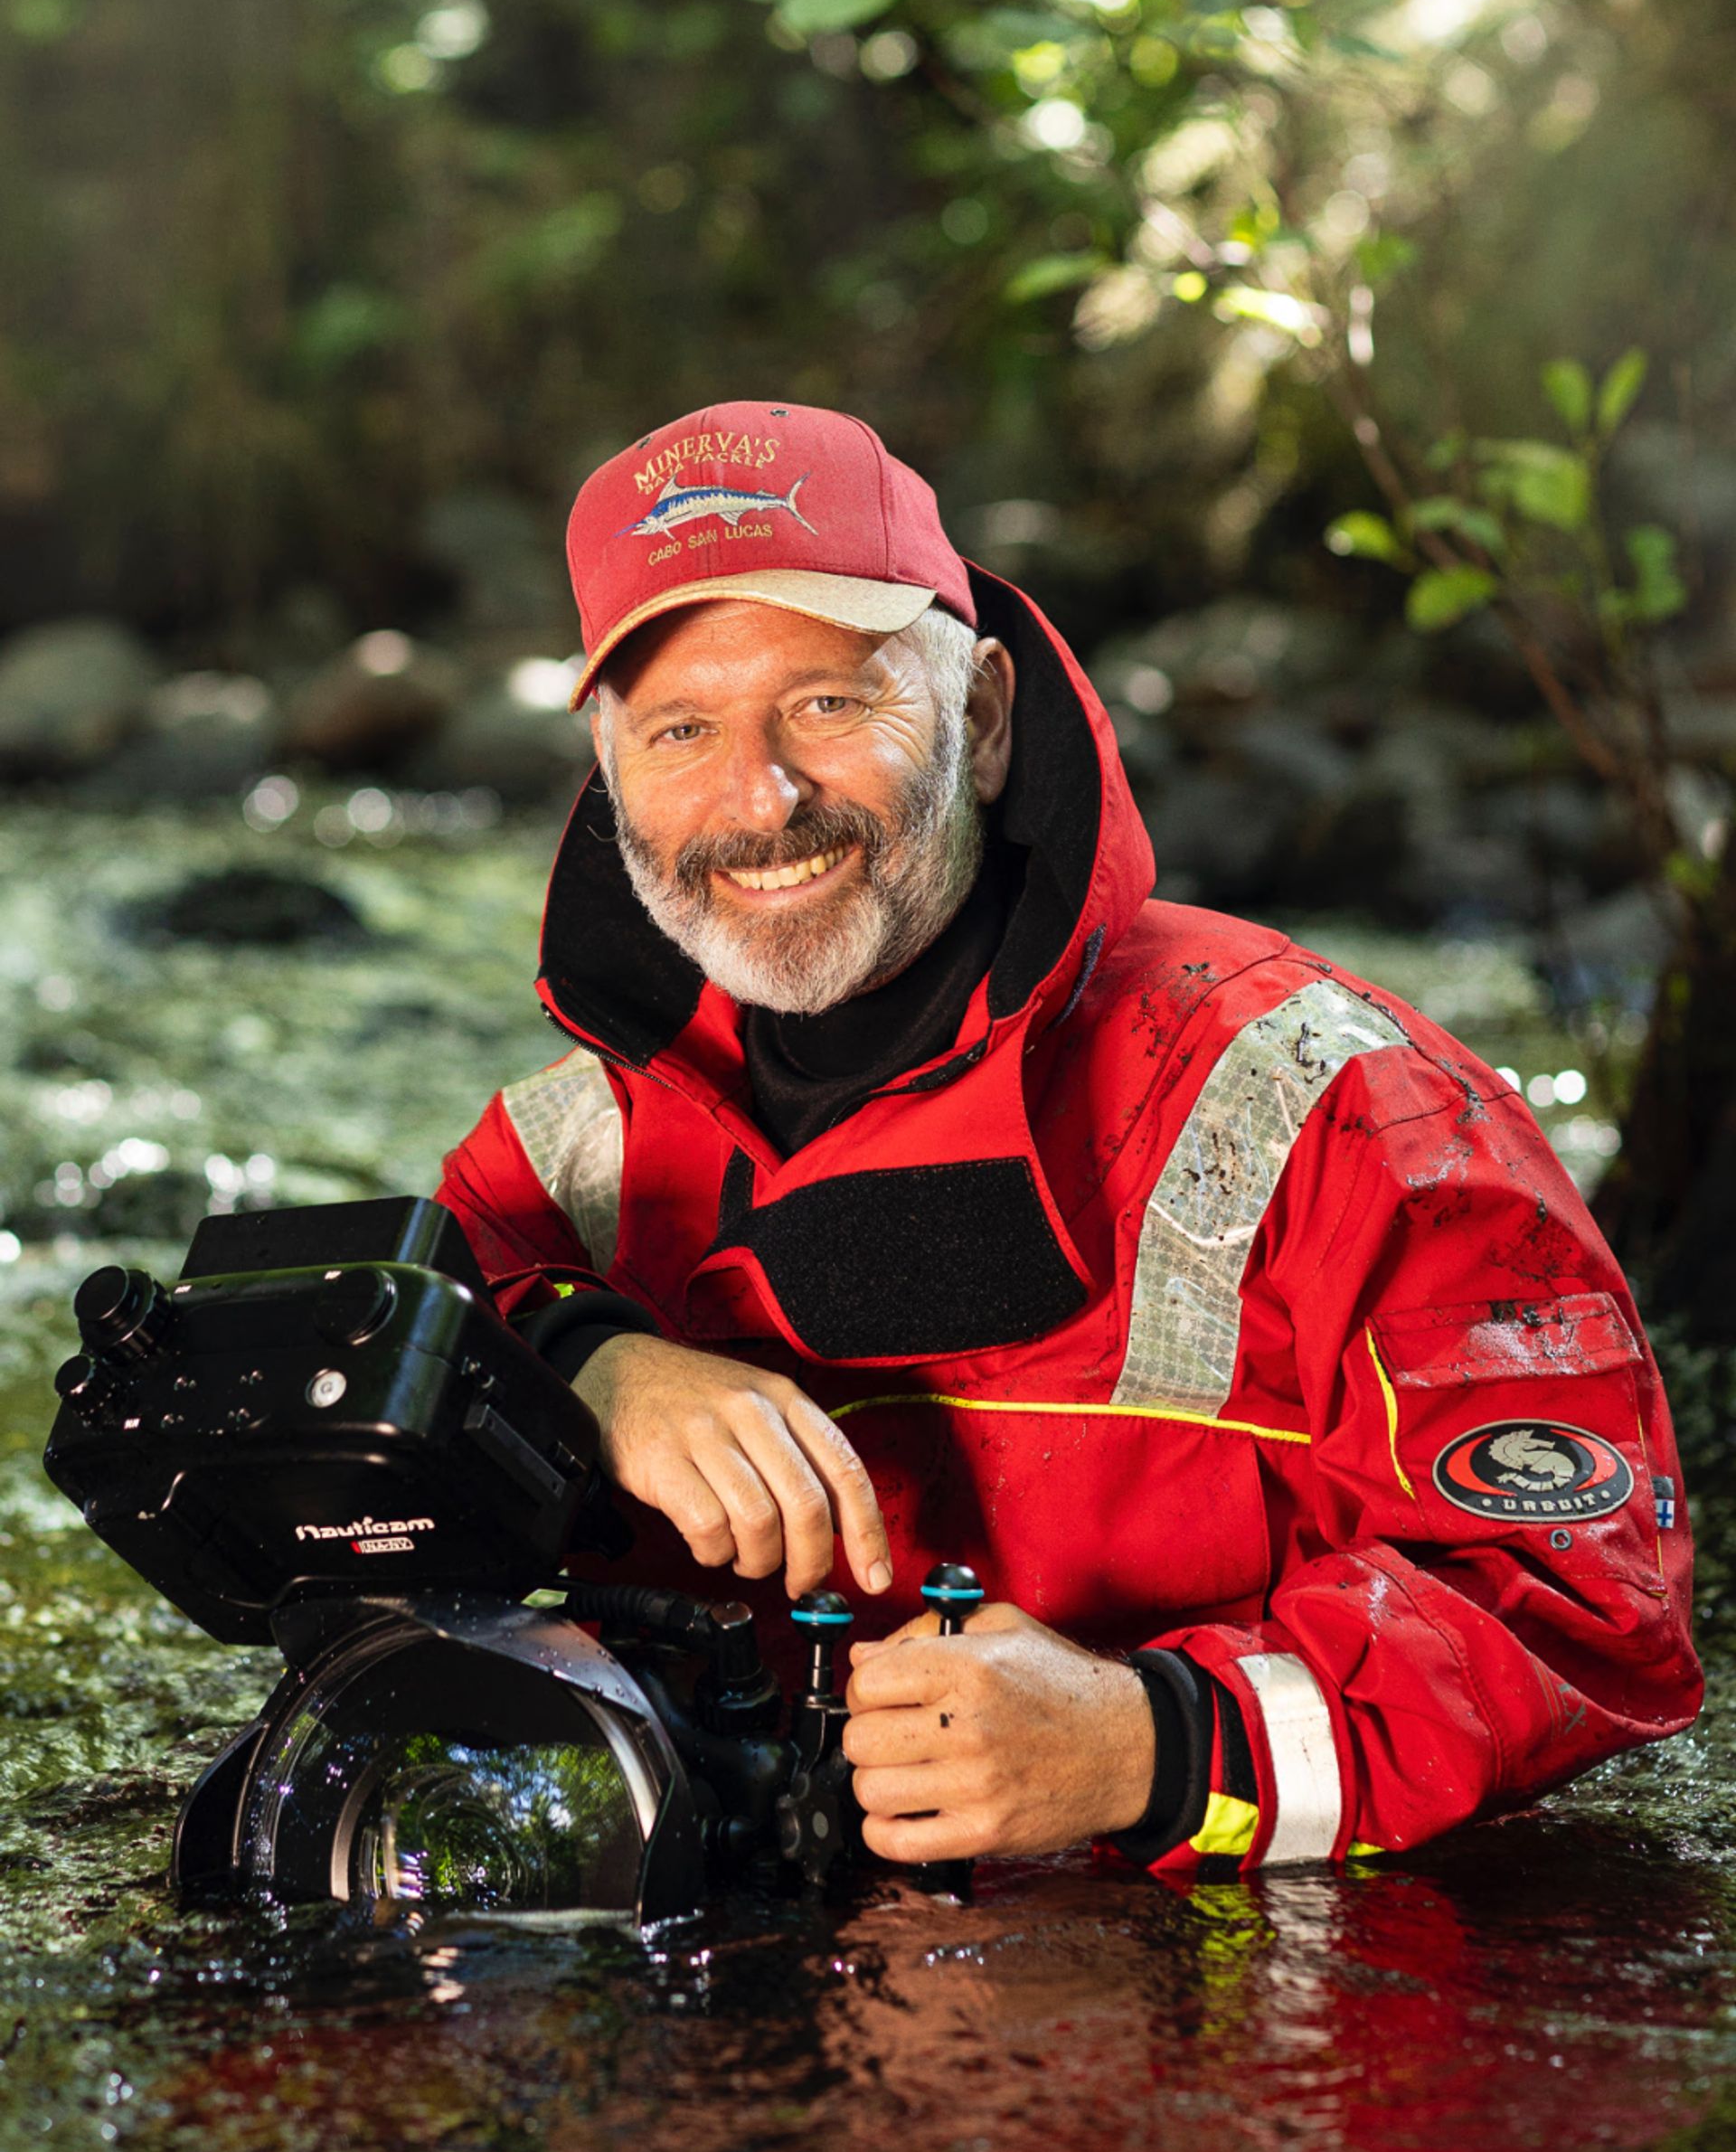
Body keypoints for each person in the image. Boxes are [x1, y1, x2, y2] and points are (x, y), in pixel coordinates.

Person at [437, 400, 1701, 1874]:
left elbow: (1586, 1612)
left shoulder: (1344, 1106)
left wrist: (1154, 1746)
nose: (761, 799)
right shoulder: (558, 1161)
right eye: (680, 730)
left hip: (1219, 1984)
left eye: (828, 704)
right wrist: (588, 1358)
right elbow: (362, 1400)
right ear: (609, 774)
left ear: (981, 719)